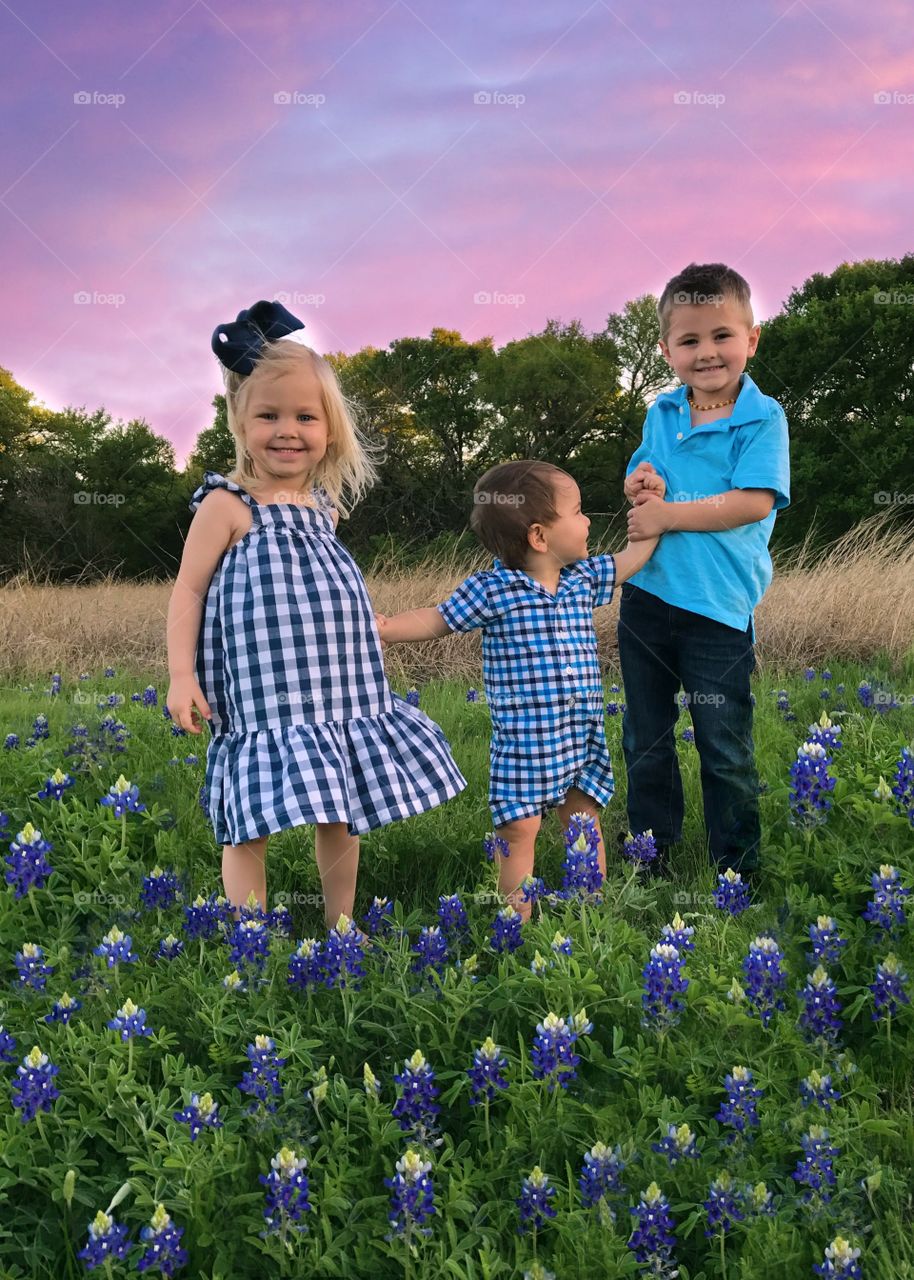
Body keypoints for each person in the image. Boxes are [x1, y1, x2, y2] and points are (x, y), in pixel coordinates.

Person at [165, 300, 466, 924]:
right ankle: (249, 936)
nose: (287, 430)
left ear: (329, 429)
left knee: (340, 809)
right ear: (240, 420)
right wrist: (180, 674)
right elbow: (187, 593)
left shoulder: (324, 508)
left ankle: (341, 924)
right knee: (249, 818)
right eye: (268, 415)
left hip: (339, 688)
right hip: (261, 697)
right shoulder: (227, 505)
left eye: (306, 416)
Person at [376, 460, 661, 921]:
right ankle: (516, 923)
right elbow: (438, 618)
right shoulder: (494, 590)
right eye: (579, 511)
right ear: (539, 537)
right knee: (517, 831)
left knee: (586, 820)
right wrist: (388, 628)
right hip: (526, 743)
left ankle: (590, 911)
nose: (589, 521)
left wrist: (653, 516)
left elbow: (631, 559)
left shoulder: (581, 579)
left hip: (580, 733)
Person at [620, 262, 791, 880]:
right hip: (646, 599)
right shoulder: (662, 412)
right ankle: (652, 856)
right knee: (646, 740)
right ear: (666, 349)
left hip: (717, 609)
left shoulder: (762, 417)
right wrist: (638, 484)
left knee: (722, 746)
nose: (707, 352)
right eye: (689, 340)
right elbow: (641, 477)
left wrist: (667, 514)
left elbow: (753, 501)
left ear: (751, 338)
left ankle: (735, 871)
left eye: (722, 335)